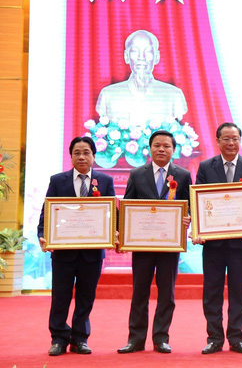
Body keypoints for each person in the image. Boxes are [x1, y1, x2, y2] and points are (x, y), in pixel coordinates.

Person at [37, 137, 116, 356]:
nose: (81, 157)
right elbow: (47, 211)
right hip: (63, 252)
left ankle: (80, 339)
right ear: (71, 156)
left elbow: (112, 213)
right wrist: (42, 235)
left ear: (94, 156)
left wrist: (115, 232)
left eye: (86, 152)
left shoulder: (105, 181)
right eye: (77, 153)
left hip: (92, 253)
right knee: (60, 297)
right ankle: (59, 339)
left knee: (85, 298)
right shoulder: (58, 180)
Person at [117, 130, 192, 354]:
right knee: (139, 292)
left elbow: (190, 206)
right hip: (142, 244)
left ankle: (161, 338)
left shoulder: (183, 175)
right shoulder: (137, 174)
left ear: (173, 150)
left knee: (167, 293)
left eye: (166, 146)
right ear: (149, 148)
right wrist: (123, 234)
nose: (161, 149)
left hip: (170, 244)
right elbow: (127, 206)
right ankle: (136, 339)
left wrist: (189, 218)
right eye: (157, 145)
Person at [194, 122, 242, 355]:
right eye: (226, 138)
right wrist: (200, 230)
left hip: (240, 242)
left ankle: (236, 337)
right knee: (211, 292)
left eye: (235, 138)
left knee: (238, 292)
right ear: (217, 141)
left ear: (240, 140)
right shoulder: (206, 167)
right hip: (213, 243)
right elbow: (199, 202)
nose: (231, 143)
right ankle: (214, 338)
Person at [95, 30, 187, 126]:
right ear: (126, 56)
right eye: (135, 51)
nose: (141, 57)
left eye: (148, 51)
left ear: (156, 57)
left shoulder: (174, 94)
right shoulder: (108, 94)